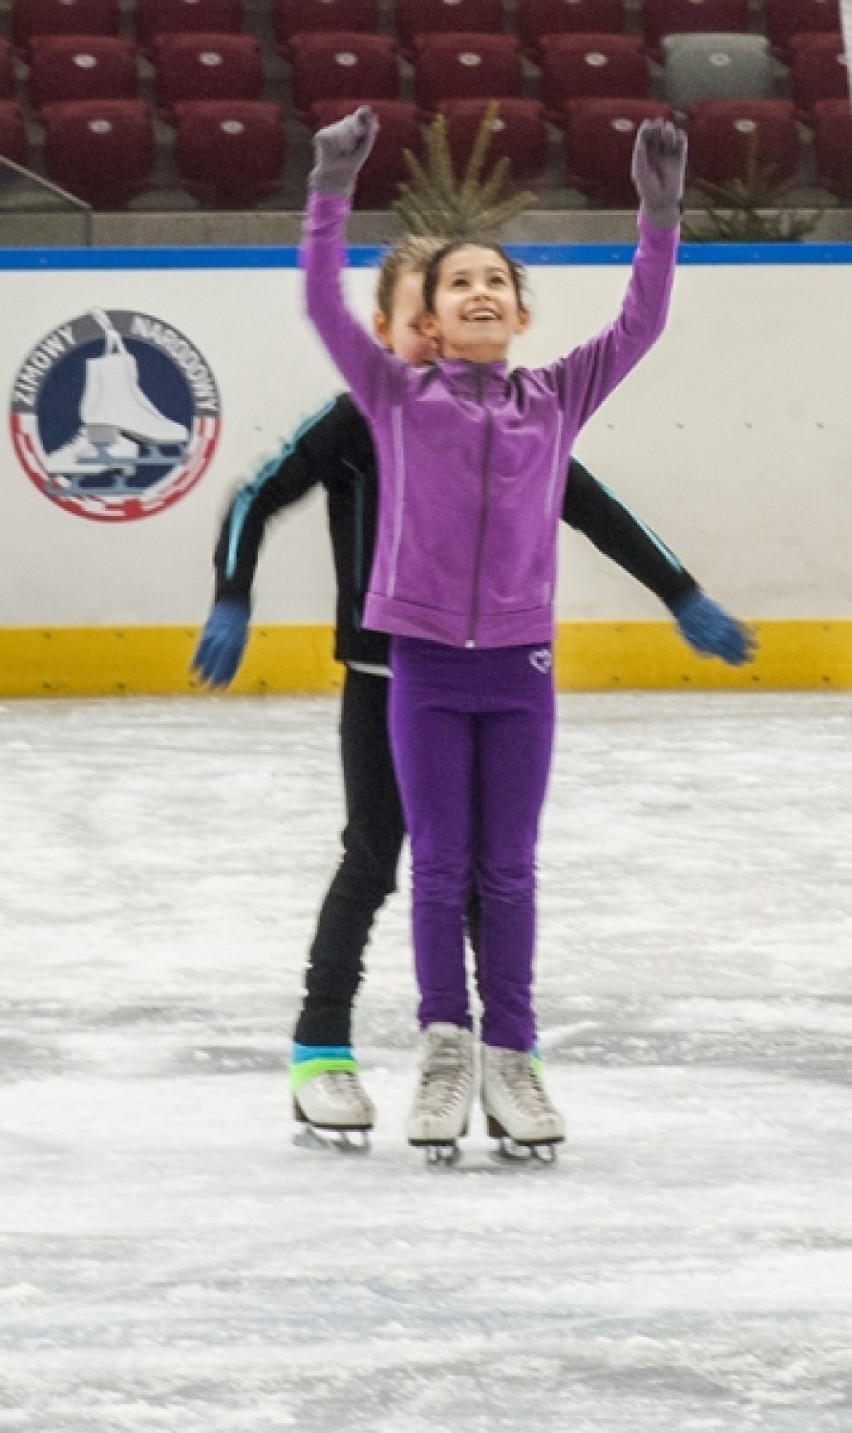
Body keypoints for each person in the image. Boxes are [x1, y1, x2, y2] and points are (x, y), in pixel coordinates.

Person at [193, 232, 751, 1151]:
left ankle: (501, 1057)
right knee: (377, 860)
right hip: (389, 678)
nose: (431, 330)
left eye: (443, 310)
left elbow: (597, 508)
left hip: (491, 665)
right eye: (419, 315)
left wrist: (680, 591)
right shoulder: (359, 413)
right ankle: (320, 1045)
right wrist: (231, 595)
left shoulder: (509, 424)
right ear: (392, 328)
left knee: (488, 875)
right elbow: (257, 494)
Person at [298, 106, 700, 1157]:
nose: (479, 290)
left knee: (508, 868)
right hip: (423, 667)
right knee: (436, 864)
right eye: (459, 281)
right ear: (431, 315)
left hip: (520, 668)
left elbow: (640, 327)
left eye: (496, 281)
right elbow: (323, 308)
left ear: (519, 311)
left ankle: (512, 1059)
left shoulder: (555, 398)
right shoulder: (393, 396)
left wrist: (659, 214)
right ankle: (443, 1052)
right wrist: (328, 191)